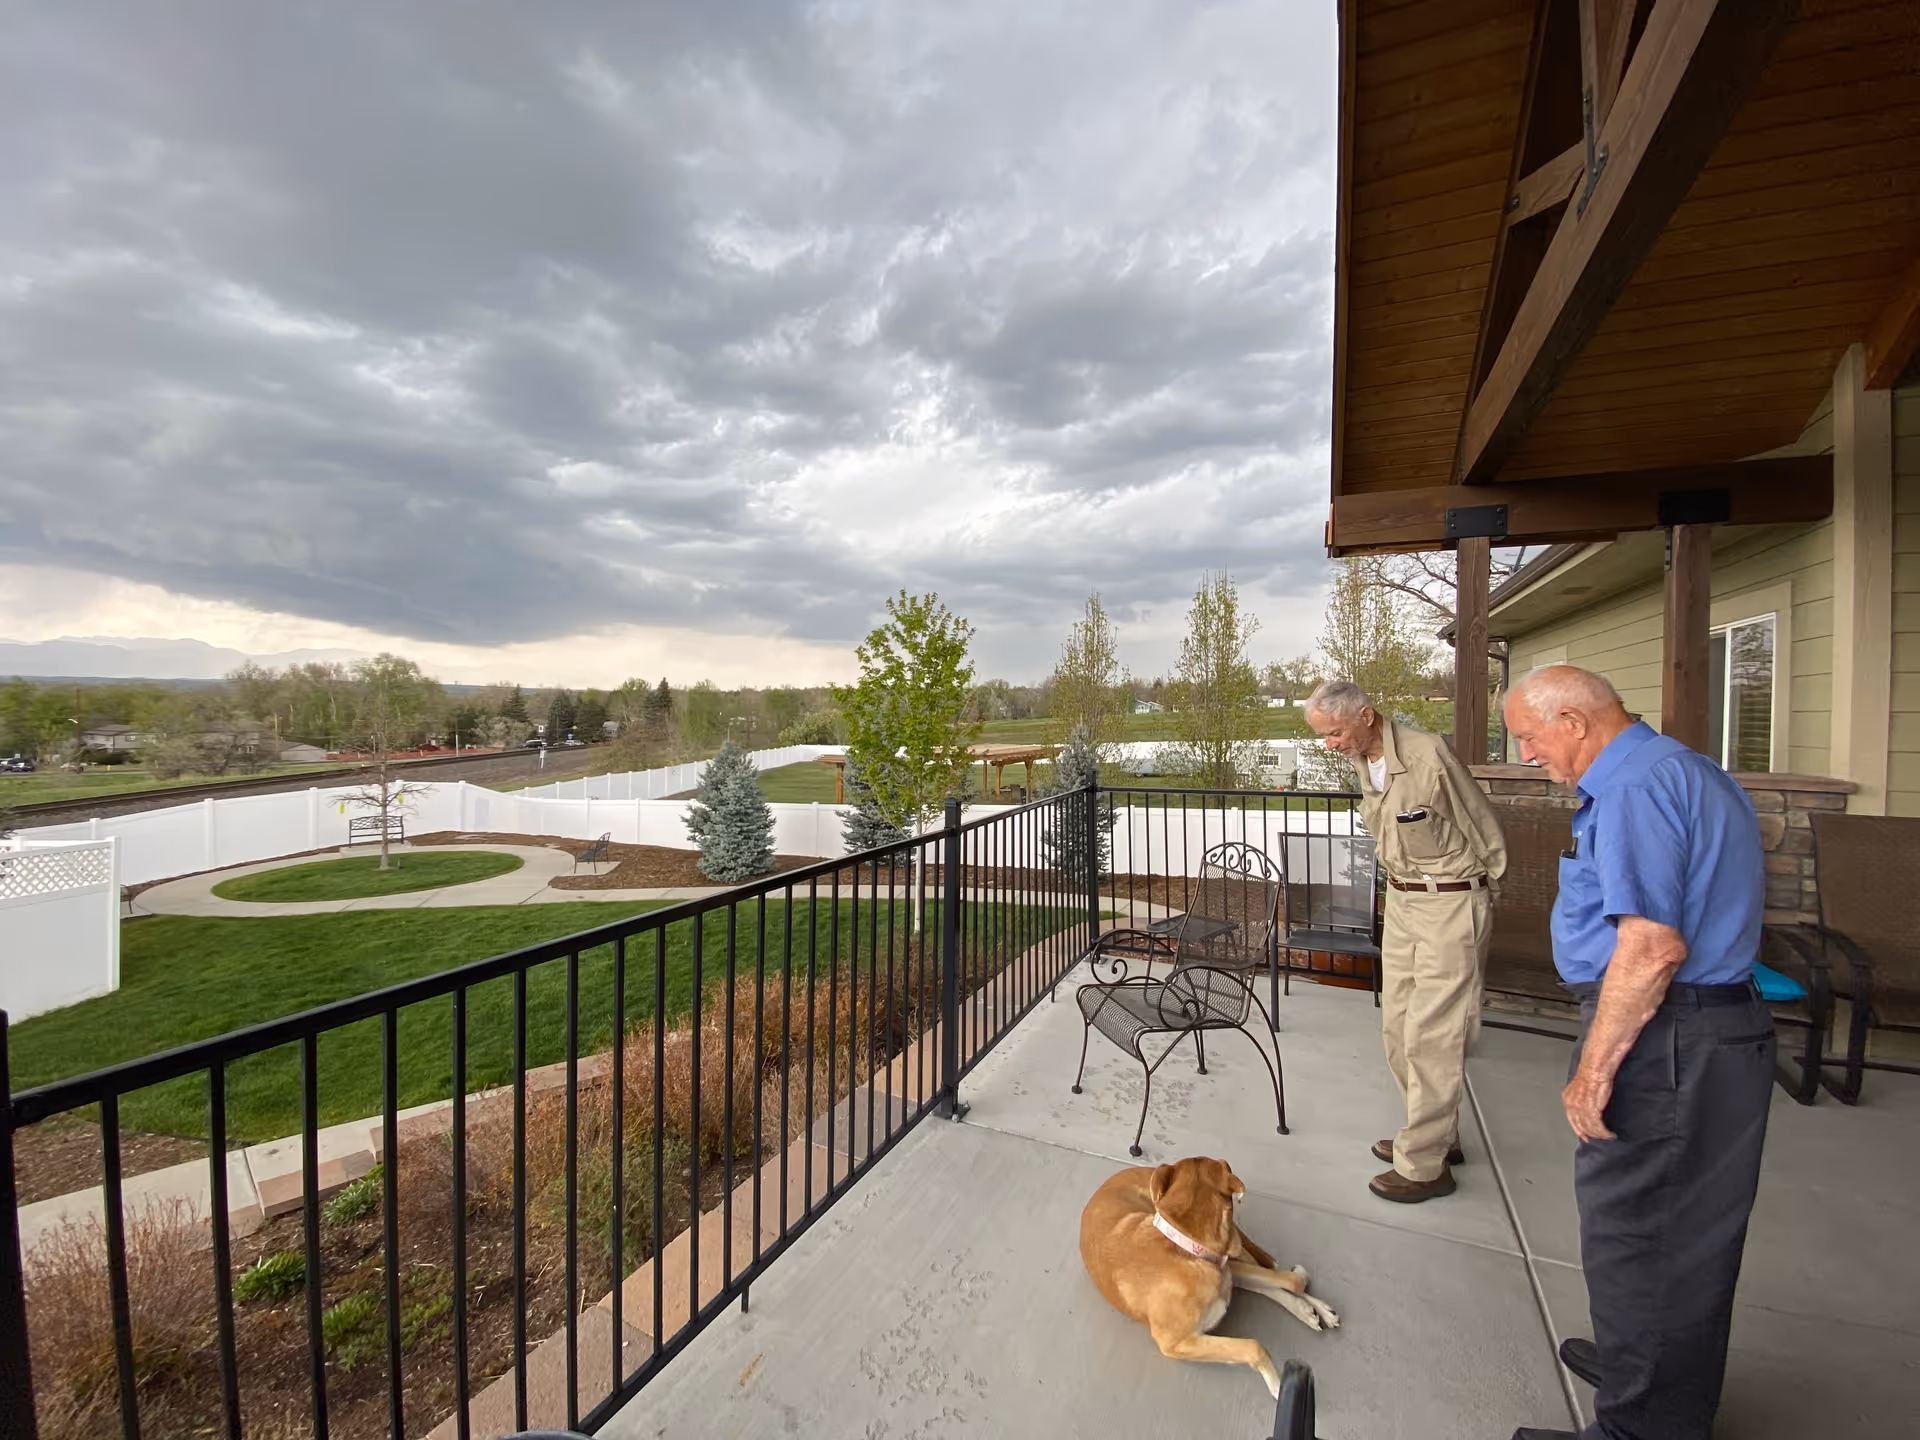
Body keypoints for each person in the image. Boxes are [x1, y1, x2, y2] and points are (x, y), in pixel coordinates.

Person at [1501, 665, 1773, 1440]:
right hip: (1703, 1032)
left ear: (1576, 722)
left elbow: (1651, 948)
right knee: (1677, 1238)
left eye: (1530, 736)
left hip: (1672, 1038)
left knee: (1644, 1242)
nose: (1525, 755)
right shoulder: (1680, 769)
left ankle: (1639, 1424)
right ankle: (1641, 1371)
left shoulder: (1633, 791)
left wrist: (1593, 1071)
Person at [1305, 681, 1507, 1203]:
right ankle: (1438, 1136)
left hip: (1449, 903)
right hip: (1402, 903)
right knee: (1397, 1028)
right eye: (1323, 736)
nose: (1330, 743)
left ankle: (1424, 1166)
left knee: (1433, 1035)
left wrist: (1483, 895)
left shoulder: (1426, 754)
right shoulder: (1365, 759)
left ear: (1366, 716)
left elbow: (1480, 825)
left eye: (1335, 732)